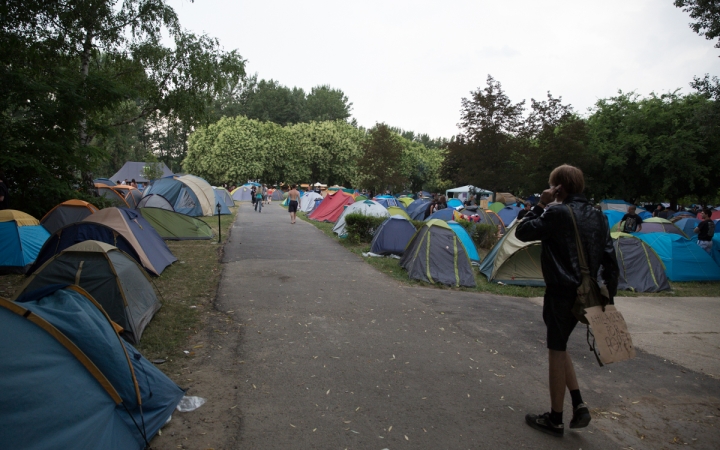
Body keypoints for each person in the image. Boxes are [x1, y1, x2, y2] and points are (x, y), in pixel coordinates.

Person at [516, 164, 618, 438]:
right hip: (588, 294)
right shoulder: (599, 216)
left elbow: (522, 232)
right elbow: (610, 259)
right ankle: (578, 403)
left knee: (555, 349)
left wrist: (540, 204)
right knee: (560, 346)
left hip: (562, 292)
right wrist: (609, 301)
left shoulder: (557, 212)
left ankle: (555, 418)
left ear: (558, 187)